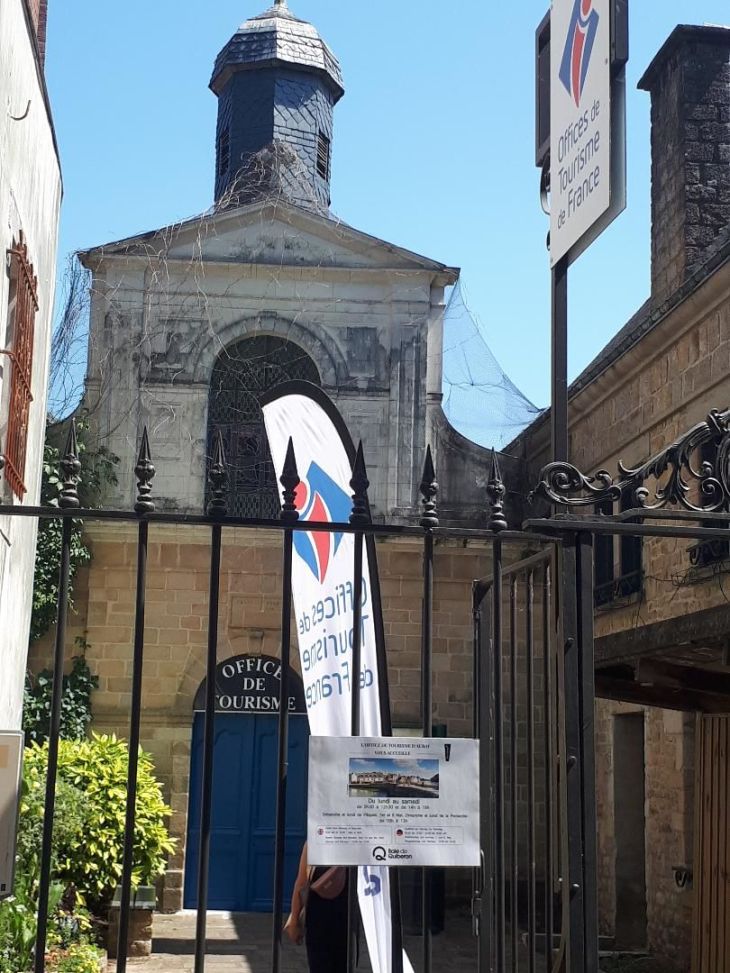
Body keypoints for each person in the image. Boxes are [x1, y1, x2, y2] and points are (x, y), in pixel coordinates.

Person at [284, 842, 349, 972]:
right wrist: (294, 919)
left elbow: (301, 883)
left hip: (322, 918)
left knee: (321, 964)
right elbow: (301, 883)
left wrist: (294, 921)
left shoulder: (315, 842)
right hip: (340, 918)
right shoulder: (355, 842)